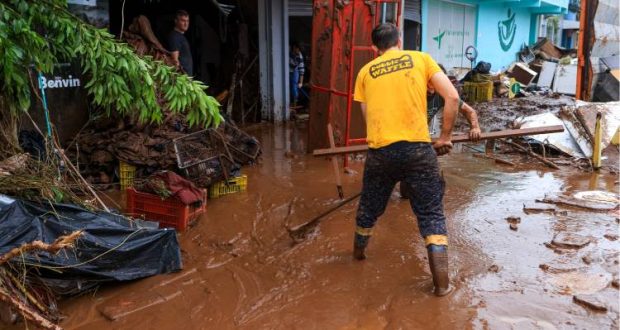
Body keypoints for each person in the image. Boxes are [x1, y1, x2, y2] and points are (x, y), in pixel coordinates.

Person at [352, 23, 459, 296]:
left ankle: (358, 256)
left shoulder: (365, 72)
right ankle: (441, 286)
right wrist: (445, 136)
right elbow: (453, 97)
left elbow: (368, 118)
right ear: (399, 40)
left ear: (375, 47)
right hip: (418, 151)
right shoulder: (421, 58)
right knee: (431, 214)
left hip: (381, 152)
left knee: (369, 208)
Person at [427, 64, 481, 141]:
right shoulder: (412, 93)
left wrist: (475, 127)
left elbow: (469, 112)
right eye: (428, 80)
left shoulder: (441, 94)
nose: (431, 86)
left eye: (435, 82)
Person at [168, 10, 193, 76]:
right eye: (183, 21)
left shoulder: (181, 36)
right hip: (182, 78)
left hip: (186, 78)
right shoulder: (174, 37)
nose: (186, 24)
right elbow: (175, 60)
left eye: (187, 21)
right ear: (176, 21)